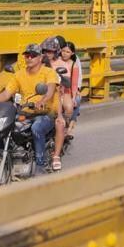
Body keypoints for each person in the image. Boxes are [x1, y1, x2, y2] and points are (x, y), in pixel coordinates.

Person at [0, 43, 59, 172]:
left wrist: (42, 100)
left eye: (33, 56)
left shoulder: (48, 73)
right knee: (4, 126)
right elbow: (6, 93)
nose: (29, 58)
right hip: (24, 112)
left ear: (40, 58)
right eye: (27, 55)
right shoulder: (19, 75)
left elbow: (50, 91)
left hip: (43, 113)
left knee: (37, 127)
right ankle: (0, 158)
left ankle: (40, 165)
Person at [39, 36, 70, 171]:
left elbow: (65, 84)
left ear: (56, 52)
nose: (47, 54)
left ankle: (56, 156)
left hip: (55, 98)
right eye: (45, 51)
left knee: (59, 123)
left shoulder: (60, 65)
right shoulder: (36, 63)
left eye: (50, 52)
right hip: (36, 99)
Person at [52, 40, 82, 135]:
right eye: (63, 51)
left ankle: (67, 126)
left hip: (66, 91)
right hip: (53, 90)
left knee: (72, 104)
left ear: (72, 53)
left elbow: (74, 84)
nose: (65, 54)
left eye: (68, 52)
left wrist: (73, 98)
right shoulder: (55, 61)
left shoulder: (74, 65)